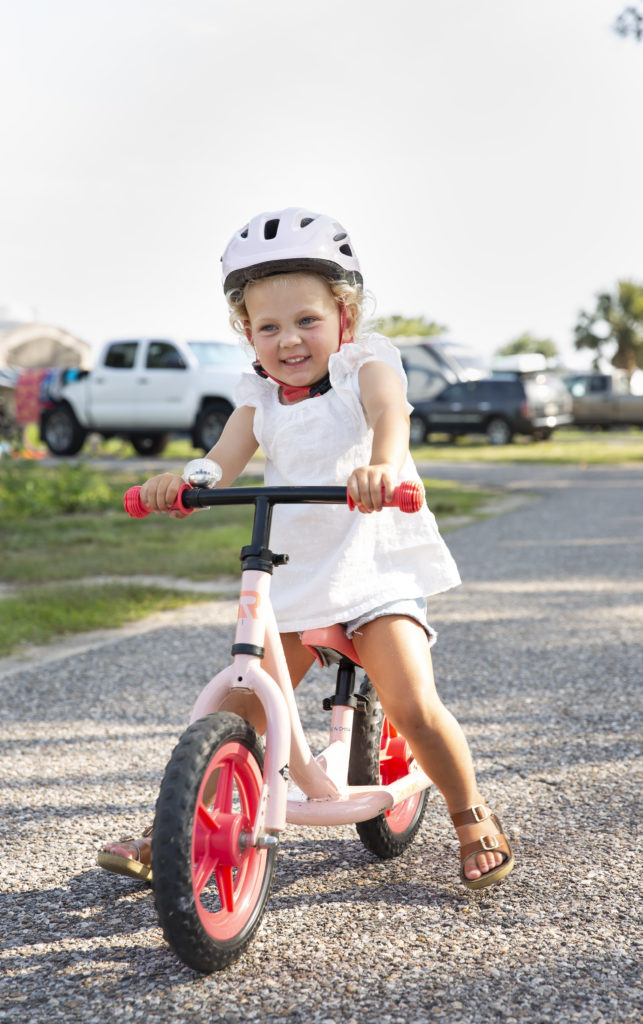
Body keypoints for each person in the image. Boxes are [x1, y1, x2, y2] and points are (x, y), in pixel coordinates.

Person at [98, 207, 514, 891]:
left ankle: (471, 814)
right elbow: (222, 460)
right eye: (268, 327)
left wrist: (382, 465)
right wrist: (185, 481)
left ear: (343, 314)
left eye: (306, 321)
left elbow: (391, 412)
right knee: (242, 703)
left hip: (372, 562)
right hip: (294, 568)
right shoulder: (257, 394)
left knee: (410, 704)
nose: (288, 340)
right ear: (246, 332)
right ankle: (172, 831)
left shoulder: (364, 364)